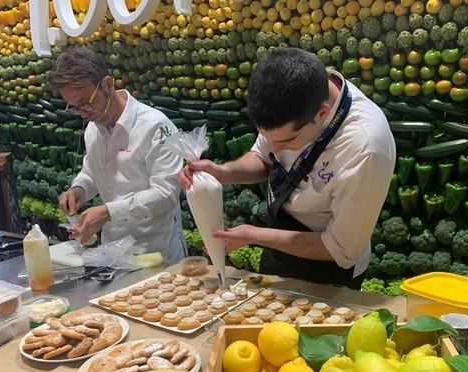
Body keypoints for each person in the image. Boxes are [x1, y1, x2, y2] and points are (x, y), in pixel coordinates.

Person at [180, 48, 395, 289]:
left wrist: (253, 236)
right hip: (278, 245)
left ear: (322, 113)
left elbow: (341, 248)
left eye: (288, 141)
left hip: (328, 268)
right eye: (267, 137)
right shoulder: (287, 98)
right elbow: (262, 158)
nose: (276, 149)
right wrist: (222, 173)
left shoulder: (366, 146)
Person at [49, 47, 186, 264]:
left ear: (108, 84)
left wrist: (108, 212)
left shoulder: (155, 126)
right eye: (75, 107)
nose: (84, 113)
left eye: (86, 102)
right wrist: (79, 189)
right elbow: (92, 170)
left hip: (156, 253)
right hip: (113, 251)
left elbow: (166, 194)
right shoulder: (94, 128)